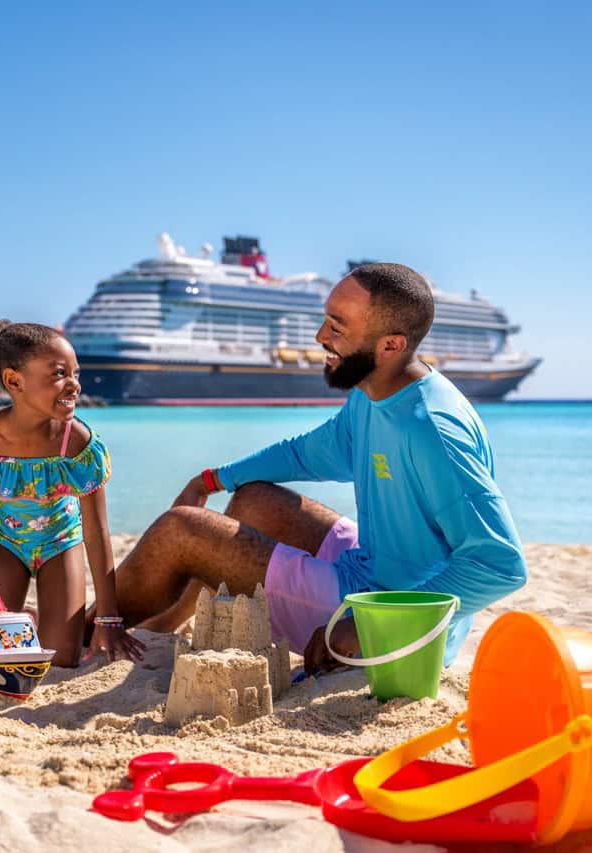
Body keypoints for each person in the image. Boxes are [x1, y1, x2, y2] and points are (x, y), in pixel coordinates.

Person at [108, 263, 527, 671]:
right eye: (325, 320)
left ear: (391, 345)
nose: (319, 336)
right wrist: (212, 479)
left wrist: (371, 625)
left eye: (337, 326)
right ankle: (153, 629)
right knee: (254, 498)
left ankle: (86, 631)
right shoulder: (374, 394)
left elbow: (498, 564)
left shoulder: (431, 429)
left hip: (393, 623)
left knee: (181, 530)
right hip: (371, 567)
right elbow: (303, 454)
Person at [0, 321, 144, 667]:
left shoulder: (77, 444)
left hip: (61, 543)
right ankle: (28, 617)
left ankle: (40, 618)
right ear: (14, 381)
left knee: (63, 658)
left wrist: (109, 619)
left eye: (76, 373)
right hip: (5, 544)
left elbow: (96, 532)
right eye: (59, 373)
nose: (75, 384)